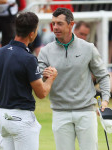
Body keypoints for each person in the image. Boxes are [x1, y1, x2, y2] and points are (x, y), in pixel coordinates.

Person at [38, 8, 110, 150]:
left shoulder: (88, 48)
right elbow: (37, 79)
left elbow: (103, 75)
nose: (55, 27)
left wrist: (105, 100)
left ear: (71, 25)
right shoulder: (45, 51)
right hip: (60, 112)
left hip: (86, 112)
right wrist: (44, 76)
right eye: (53, 24)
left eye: (59, 23)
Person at [0, 12, 57, 150]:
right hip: (22, 120)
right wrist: (51, 78)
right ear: (32, 33)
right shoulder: (29, 58)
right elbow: (41, 93)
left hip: (3, 118)